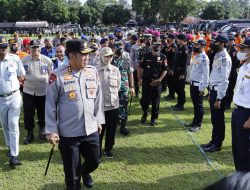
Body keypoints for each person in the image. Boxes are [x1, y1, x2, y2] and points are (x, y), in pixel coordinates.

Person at [45, 39, 105, 190]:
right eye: (83, 55)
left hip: (90, 129)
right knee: (72, 177)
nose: (87, 58)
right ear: (71, 56)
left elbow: (98, 98)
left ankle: (85, 172)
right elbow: (50, 104)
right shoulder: (57, 75)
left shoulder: (92, 71)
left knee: (94, 161)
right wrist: (51, 130)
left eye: (88, 54)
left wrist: (98, 120)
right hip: (69, 133)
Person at [201, 34, 232, 152]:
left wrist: (219, 98)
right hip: (214, 90)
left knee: (219, 119)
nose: (214, 43)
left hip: (220, 92)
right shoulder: (217, 55)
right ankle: (213, 140)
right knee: (214, 118)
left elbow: (224, 80)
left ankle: (217, 144)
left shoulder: (225, 58)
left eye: (217, 42)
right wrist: (210, 93)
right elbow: (214, 75)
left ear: (223, 43)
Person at [0, 36, 25, 166]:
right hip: (0, 99)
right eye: (1, 47)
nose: (3, 49)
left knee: (13, 124)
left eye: (5, 46)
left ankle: (15, 155)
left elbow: (21, 76)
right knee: (5, 125)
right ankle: (10, 147)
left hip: (14, 96)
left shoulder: (15, 59)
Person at [22, 39, 53, 144]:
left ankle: (42, 129)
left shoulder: (47, 60)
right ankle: (30, 133)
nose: (35, 49)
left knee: (42, 112)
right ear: (29, 48)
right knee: (28, 113)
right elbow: (21, 75)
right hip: (28, 91)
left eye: (36, 47)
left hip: (43, 91)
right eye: (33, 47)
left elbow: (51, 75)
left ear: (40, 48)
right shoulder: (24, 60)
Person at [96, 47, 121, 159]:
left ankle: (108, 149)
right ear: (101, 56)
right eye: (106, 56)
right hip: (100, 107)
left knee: (111, 130)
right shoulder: (94, 70)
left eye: (110, 56)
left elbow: (118, 86)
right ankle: (97, 152)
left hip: (113, 105)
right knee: (99, 131)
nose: (108, 58)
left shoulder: (115, 70)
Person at [138, 40, 168, 126]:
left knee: (156, 101)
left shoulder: (163, 57)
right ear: (151, 45)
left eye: (159, 45)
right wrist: (139, 80)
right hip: (146, 81)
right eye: (155, 45)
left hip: (157, 81)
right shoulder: (145, 55)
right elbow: (141, 68)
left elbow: (165, 69)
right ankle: (145, 112)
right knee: (144, 100)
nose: (157, 46)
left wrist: (160, 79)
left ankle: (153, 118)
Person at [231, 37, 250, 171]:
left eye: (243, 49)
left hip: (247, 114)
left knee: (245, 150)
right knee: (237, 147)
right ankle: (240, 174)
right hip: (238, 111)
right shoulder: (244, 66)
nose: (240, 51)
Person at [185, 39, 209, 132]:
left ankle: (198, 124)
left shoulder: (204, 58)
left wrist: (203, 88)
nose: (195, 46)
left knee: (199, 105)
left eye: (197, 45)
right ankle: (194, 122)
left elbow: (206, 74)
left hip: (199, 85)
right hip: (193, 83)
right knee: (195, 105)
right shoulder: (197, 56)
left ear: (202, 46)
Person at [112, 41, 134, 135]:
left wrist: (132, 86)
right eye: (118, 49)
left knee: (124, 106)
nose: (120, 51)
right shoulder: (110, 57)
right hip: (112, 86)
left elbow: (130, 71)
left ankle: (123, 126)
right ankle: (115, 122)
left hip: (124, 86)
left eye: (121, 49)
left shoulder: (126, 56)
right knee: (113, 107)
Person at [171, 34, 190, 111]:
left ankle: (181, 105)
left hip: (181, 72)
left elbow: (185, 63)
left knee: (180, 89)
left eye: (178, 39)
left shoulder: (185, 49)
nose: (177, 40)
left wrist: (183, 73)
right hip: (177, 71)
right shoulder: (179, 47)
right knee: (177, 87)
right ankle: (179, 103)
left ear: (183, 40)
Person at [225, 35, 240, 109]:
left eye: (230, 41)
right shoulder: (228, 49)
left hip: (232, 72)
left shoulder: (234, 50)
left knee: (230, 89)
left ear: (233, 41)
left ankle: (228, 104)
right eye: (228, 41)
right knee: (226, 88)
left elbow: (236, 63)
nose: (229, 42)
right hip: (228, 71)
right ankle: (225, 102)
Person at [164, 34, 177, 101]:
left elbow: (174, 59)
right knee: (168, 81)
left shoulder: (174, 47)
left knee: (171, 82)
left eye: (168, 38)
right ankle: (170, 94)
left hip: (171, 67)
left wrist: (171, 69)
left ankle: (172, 95)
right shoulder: (170, 46)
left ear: (171, 39)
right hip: (168, 66)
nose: (167, 39)